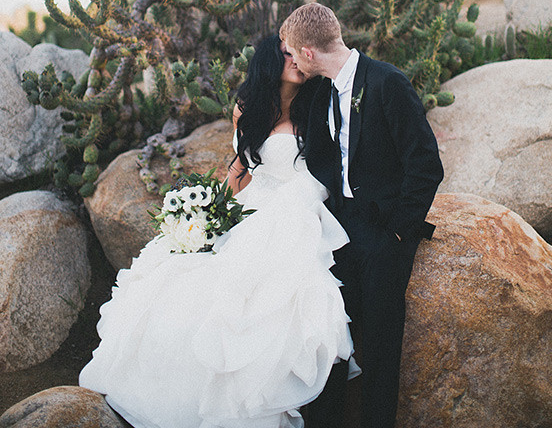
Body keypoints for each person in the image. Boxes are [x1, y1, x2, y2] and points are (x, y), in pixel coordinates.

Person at [79, 35, 356, 428]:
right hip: (251, 207)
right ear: (267, 62)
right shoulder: (249, 110)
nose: (295, 59)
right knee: (188, 286)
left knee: (269, 297)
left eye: (298, 52)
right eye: (286, 53)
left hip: (296, 210)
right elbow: (241, 169)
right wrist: (210, 214)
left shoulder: (320, 106)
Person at [279, 3, 444, 428]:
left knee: (379, 346)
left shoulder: (387, 82)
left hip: (384, 234)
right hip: (340, 230)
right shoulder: (322, 91)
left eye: (293, 54)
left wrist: (398, 234)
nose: (292, 63)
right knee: (329, 336)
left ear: (309, 53)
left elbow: (426, 164)